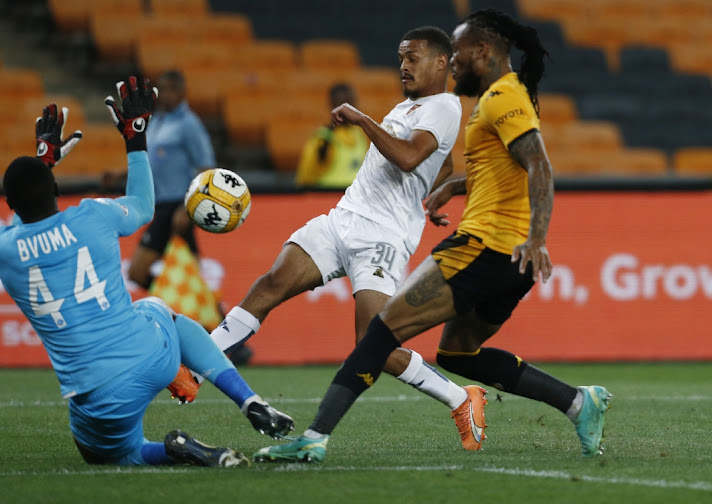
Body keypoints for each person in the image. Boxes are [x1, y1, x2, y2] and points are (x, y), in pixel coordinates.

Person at [254, 9, 612, 463]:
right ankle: (579, 403)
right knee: (459, 355)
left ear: (482, 51)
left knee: (380, 333)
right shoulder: (500, 99)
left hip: (481, 250)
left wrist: (538, 237)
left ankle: (314, 438)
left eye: (458, 53)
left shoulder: (502, 98)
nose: (454, 63)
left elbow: (539, 165)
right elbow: (508, 170)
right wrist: (453, 186)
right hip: (508, 263)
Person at [185, 26, 490, 451]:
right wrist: (438, 190)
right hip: (343, 218)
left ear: (441, 62)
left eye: (413, 57)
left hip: (382, 237)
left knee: (374, 346)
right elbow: (438, 158)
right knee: (272, 283)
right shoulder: (413, 107)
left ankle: (461, 397)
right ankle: (196, 370)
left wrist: (362, 118)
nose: (403, 65)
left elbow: (406, 158)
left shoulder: (443, 107)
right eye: (401, 57)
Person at [0, 78, 293, 467]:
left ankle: (175, 453)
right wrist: (135, 141)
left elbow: (20, 220)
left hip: (97, 392)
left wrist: (43, 165)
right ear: (54, 188)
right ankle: (249, 400)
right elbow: (141, 204)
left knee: (109, 455)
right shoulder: (93, 215)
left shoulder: (7, 248)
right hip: (151, 355)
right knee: (156, 307)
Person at [127, 69, 216, 291]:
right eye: (162, 89)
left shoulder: (189, 124)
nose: (166, 95)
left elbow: (207, 169)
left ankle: (185, 309)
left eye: (172, 90)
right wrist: (119, 176)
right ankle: (205, 315)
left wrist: (188, 208)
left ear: (182, 94)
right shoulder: (156, 121)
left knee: (137, 272)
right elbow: (150, 160)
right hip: (159, 206)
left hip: (177, 207)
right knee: (192, 278)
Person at [295, 82, 369, 189]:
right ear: (332, 105)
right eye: (343, 104)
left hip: (354, 199)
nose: (347, 110)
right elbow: (305, 177)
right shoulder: (323, 139)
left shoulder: (359, 135)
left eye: (351, 104)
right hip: (327, 198)